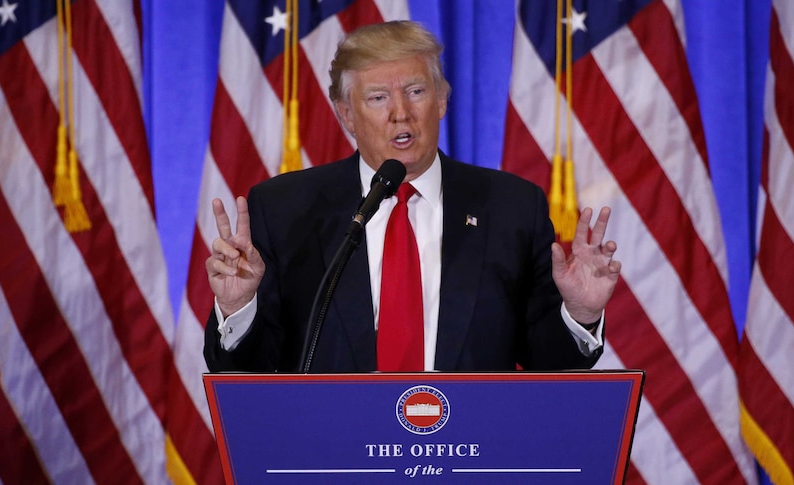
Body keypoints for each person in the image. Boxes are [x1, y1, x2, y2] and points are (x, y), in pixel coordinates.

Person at [204, 20, 621, 373]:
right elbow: (250, 375)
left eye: (416, 91)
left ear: (441, 100)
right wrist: (238, 309)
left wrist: (581, 315)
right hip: (339, 457)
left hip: (466, 454)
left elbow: (549, 366)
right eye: (377, 98)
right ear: (346, 114)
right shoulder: (285, 209)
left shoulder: (511, 207)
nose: (400, 112)